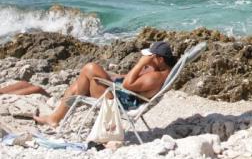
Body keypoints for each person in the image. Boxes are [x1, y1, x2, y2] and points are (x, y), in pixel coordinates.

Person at [34, 41, 177, 127]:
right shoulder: (158, 71)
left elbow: (127, 85)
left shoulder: (155, 77)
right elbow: (128, 79)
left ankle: (58, 115)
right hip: (118, 93)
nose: (146, 58)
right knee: (82, 81)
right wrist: (111, 76)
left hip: (118, 101)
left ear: (159, 59)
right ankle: (54, 118)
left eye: (150, 56)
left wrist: (140, 63)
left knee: (90, 68)